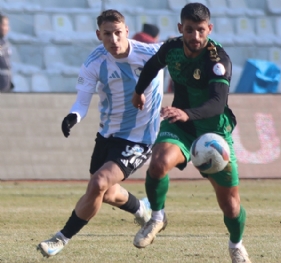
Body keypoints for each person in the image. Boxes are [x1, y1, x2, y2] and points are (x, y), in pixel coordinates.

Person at [37, 9, 164, 257]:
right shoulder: (94, 62)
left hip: (140, 138)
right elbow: (82, 101)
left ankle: (60, 239)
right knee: (105, 192)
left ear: (127, 31)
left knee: (98, 183)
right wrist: (73, 116)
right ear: (99, 35)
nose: (114, 40)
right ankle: (145, 212)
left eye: (118, 33)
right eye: (107, 34)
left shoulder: (152, 54)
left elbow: (186, 54)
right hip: (108, 135)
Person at [131, 3, 251, 263]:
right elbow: (152, 66)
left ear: (209, 28)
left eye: (200, 30)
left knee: (230, 205)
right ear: (180, 29)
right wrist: (139, 90)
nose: (195, 37)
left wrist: (188, 113)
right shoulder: (171, 48)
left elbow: (218, 103)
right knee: (159, 163)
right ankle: (157, 218)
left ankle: (236, 244)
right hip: (180, 126)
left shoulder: (217, 60)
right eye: (189, 30)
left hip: (213, 132)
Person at [0, 13, 12, 92]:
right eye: (4, 25)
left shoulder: (5, 42)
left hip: (6, 85)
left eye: (7, 25)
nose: (6, 28)